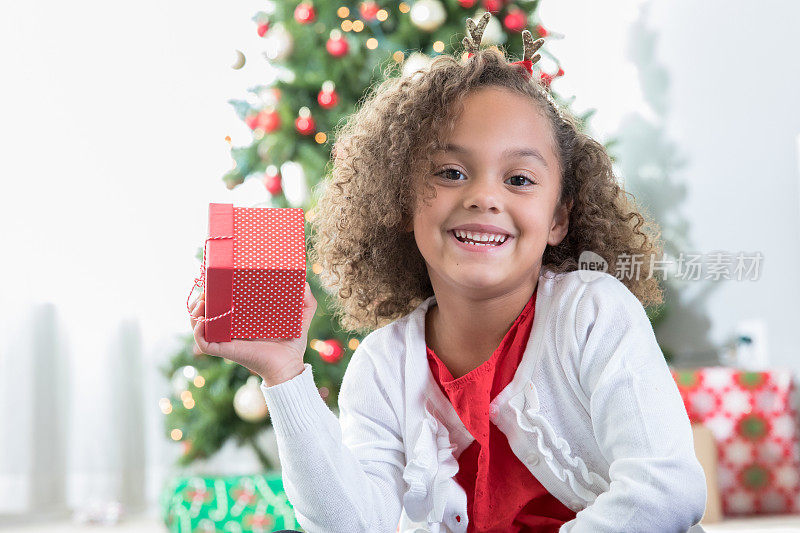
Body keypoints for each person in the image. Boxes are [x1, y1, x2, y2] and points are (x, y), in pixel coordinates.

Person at [189, 12, 707, 533]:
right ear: (404, 202)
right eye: (452, 173)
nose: (483, 196)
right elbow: (352, 523)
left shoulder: (594, 313)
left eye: (520, 178)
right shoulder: (382, 366)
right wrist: (284, 374)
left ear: (557, 218)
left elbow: (666, 488)